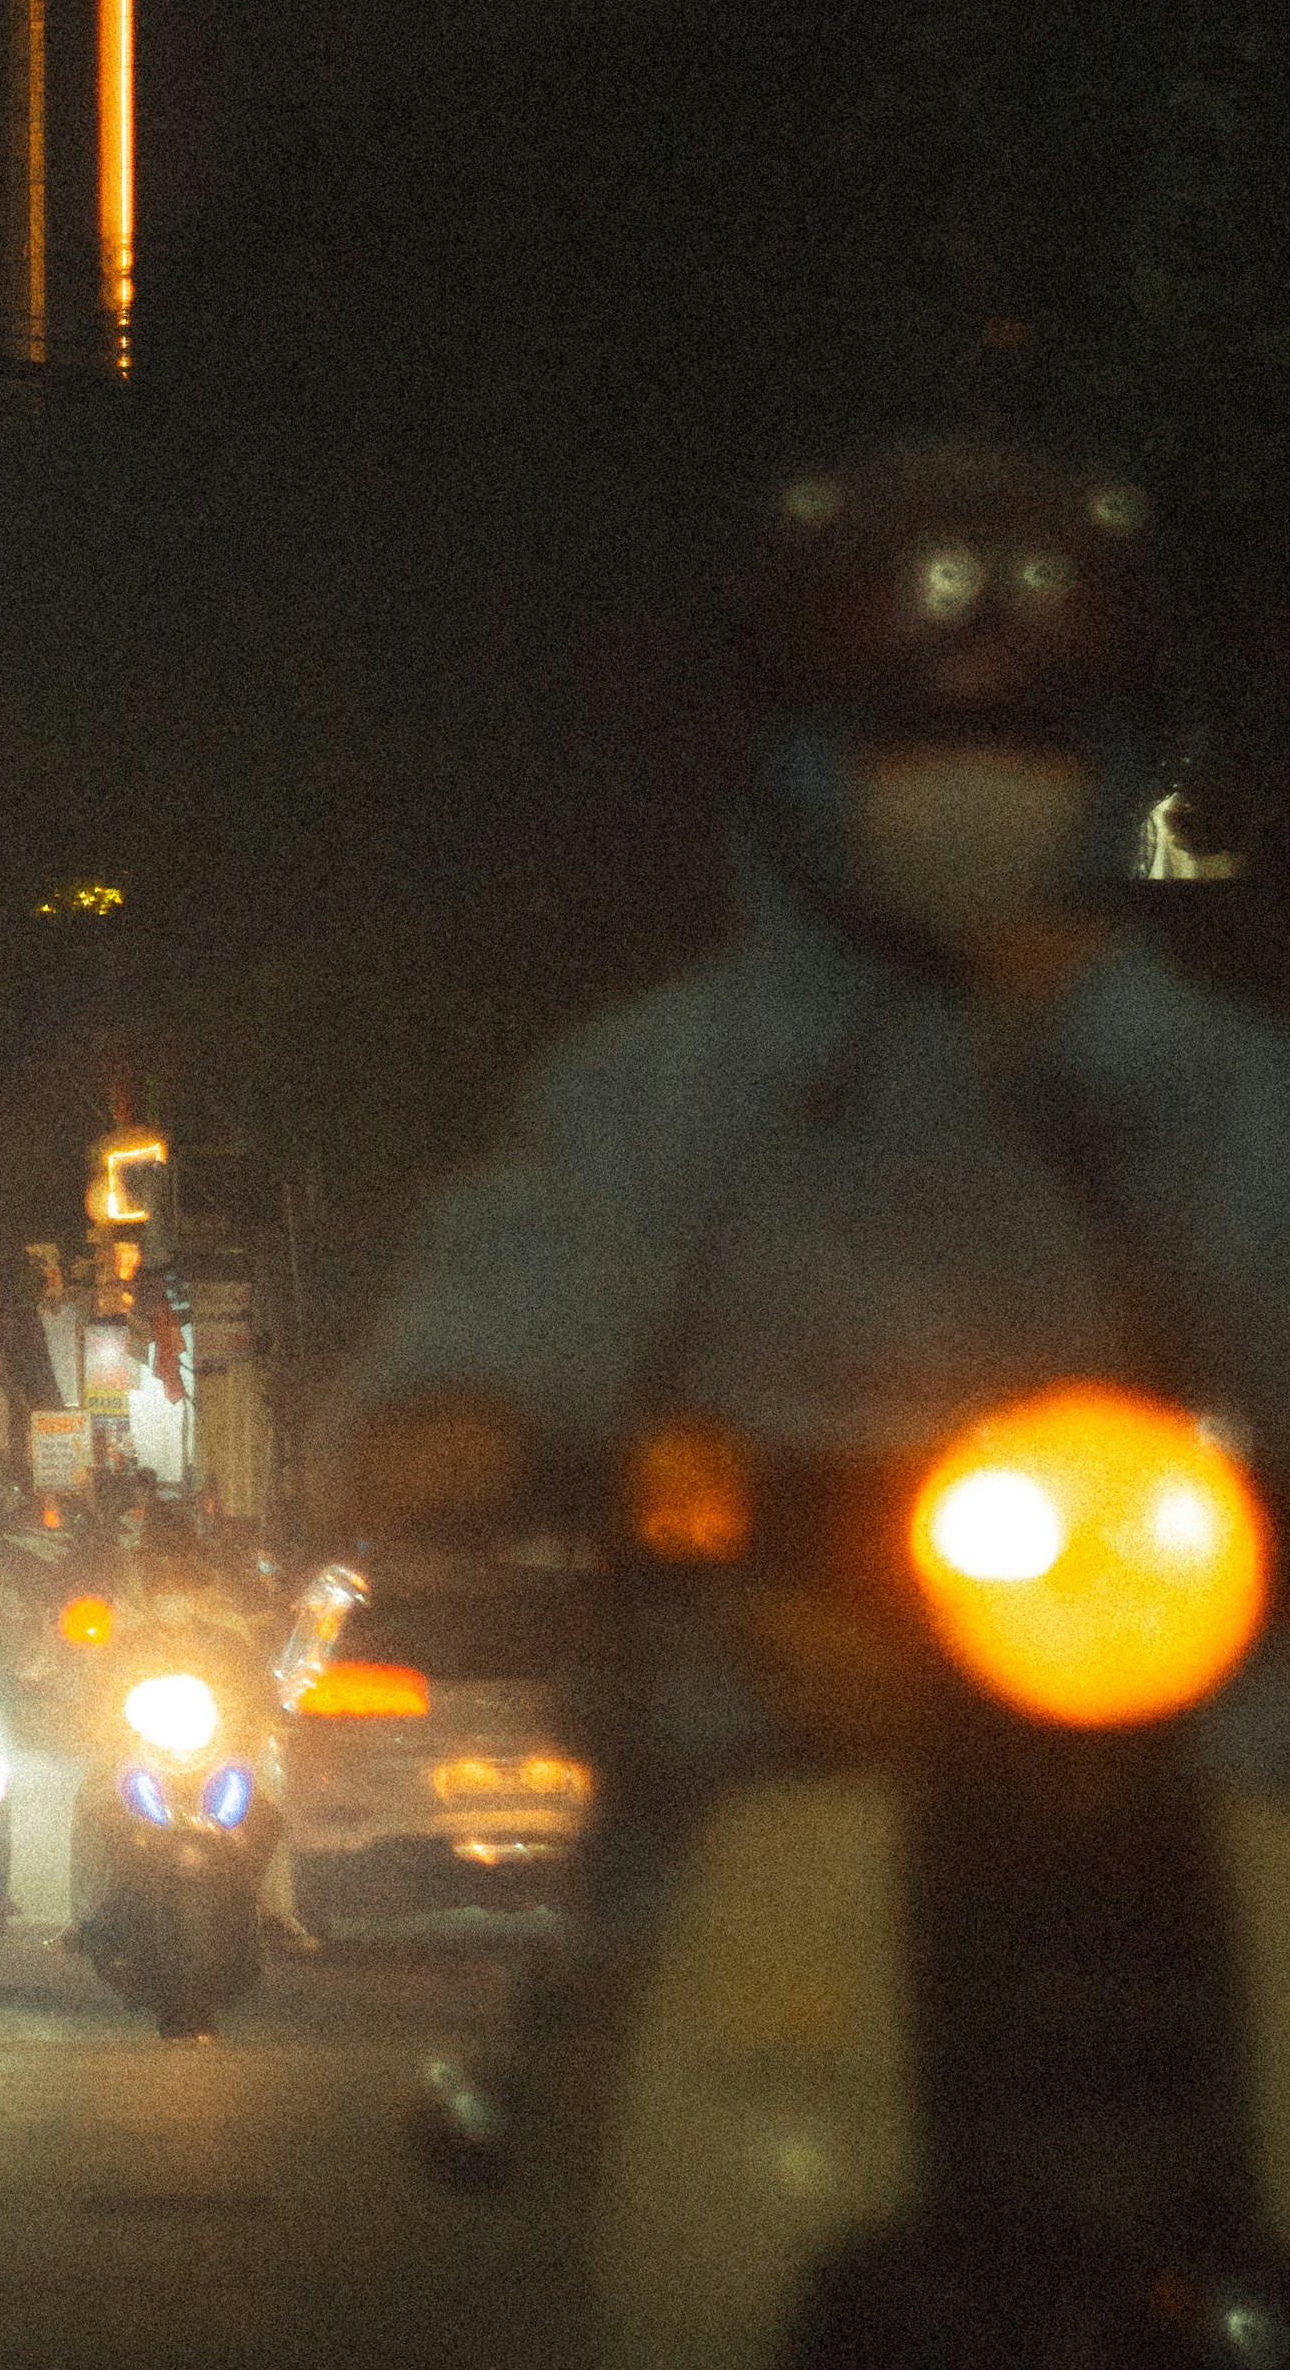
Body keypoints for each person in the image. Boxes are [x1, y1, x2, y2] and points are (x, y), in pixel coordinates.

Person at [348, 441, 1290, 1864]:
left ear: (1112, 767)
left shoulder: (1227, 1095)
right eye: (912, 744)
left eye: (1029, 744)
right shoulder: (660, 1094)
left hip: (1206, 1806)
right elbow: (481, 1345)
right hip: (745, 1808)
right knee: (631, 2062)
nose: (974, 784)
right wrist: (461, 1429)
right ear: (802, 763)